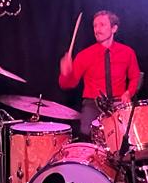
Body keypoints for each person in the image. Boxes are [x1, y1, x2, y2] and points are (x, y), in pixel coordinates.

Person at [59, 10, 142, 138]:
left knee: (127, 138)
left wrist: (128, 92)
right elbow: (67, 84)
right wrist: (65, 74)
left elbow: (135, 77)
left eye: (102, 25)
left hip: (118, 103)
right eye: (95, 26)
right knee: (87, 136)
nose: (97, 30)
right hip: (93, 105)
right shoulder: (84, 55)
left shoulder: (127, 52)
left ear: (114, 28)